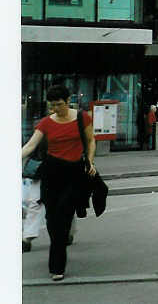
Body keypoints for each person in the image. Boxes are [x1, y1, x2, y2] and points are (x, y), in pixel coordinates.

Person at [21, 84, 96, 281]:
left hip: (73, 174)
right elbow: (30, 146)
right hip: (51, 173)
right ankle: (59, 250)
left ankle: (57, 266)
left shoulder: (82, 118)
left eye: (59, 104)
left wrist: (90, 160)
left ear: (68, 101)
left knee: (63, 216)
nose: (56, 109)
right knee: (52, 220)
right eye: (52, 105)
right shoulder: (46, 123)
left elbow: (90, 141)